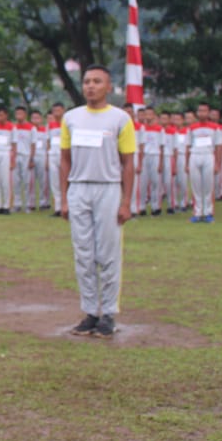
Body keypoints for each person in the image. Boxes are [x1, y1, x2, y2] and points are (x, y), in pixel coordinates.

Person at [58, 65, 136, 339]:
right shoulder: (71, 118)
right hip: (79, 189)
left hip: (108, 189)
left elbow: (128, 162)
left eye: (97, 81)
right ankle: (90, 312)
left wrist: (126, 202)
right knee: (83, 254)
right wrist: (64, 197)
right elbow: (65, 159)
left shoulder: (120, 119)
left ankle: (109, 314)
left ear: (108, 86)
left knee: (108, 253)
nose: (91, 86)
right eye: (87, 81)